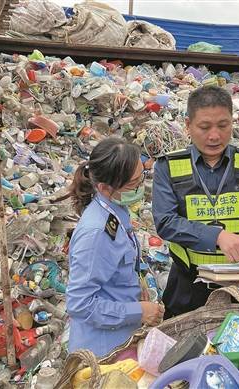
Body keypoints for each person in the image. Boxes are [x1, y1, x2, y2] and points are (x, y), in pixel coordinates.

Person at [152, 86, 239, 318]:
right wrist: (217, 236)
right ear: (188, 125)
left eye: (223, 126)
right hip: (186, 287)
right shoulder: (169, 167)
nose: (215, 135)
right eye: (204, 127)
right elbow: (166, 222)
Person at [66, 137, 164, 357]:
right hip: (102, 351)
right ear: (104, 187)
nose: (141, 187)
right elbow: (80, 304)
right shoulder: (96, 233)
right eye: (133, 184)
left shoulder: (115, 211)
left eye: (142, 178)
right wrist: (138, 312)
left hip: (121, 337)